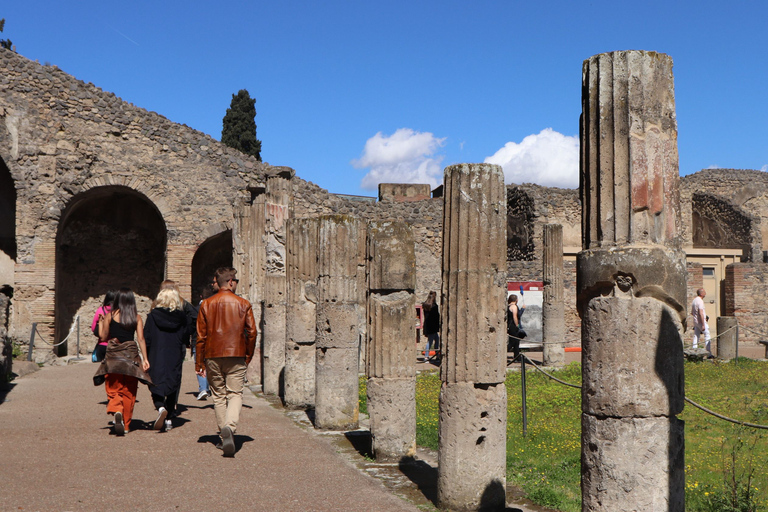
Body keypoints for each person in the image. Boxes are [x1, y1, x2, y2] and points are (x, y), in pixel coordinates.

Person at [196, 267, 258, 457]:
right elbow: (252, 332)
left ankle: (224, 436)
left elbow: (200, 336)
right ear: (231, 282)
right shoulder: (243, 303)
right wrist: (248, 354)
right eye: (236, 280)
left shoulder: (206, 304)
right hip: (236, 353)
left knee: (219, 396)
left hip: (213, 354)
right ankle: (230, 427)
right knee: (235, 393)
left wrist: (199, 362)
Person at [93, 288, 151, 436]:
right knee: (129, 391)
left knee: (113, 388)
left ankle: (117, 409)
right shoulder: (137, 317)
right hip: (131, 358)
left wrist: (101, 323)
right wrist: (145, 359)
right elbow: (141, 339)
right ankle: (126, 425)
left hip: (114, 358)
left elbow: (104, 337)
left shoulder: (110, 316)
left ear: (117, 300)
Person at [144, 285, 189, 432]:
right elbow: (185, 336)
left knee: (155, 383)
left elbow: (147, 338)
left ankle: (160, 406)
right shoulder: (182, 318)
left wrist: (145, 355)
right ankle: (169, 417)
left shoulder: (152, 317)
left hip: (156, 353)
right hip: (174, 354)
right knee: (172, 384)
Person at [91, 290, 116, 362]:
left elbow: (93, 328)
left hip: (101, 345)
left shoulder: (100, 310)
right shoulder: (117, 311)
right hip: (113, 346)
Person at [691, 288, 712, 356]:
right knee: (707, 335)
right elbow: (701, 313)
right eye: (704, 292)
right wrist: (703, 323)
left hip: (695, 321)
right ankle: (708, 353)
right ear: (701, 293)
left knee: (696, 336)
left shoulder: (694, 300)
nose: (705, 293)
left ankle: (694, 351)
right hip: (700, 321)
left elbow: (692, 312)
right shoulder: (700, 301)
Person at [421, 291, 440, 363]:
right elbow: (436, 317)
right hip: (433, 326)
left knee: (437, 339)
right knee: (430, 341)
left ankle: (437, 355)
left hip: (428, 325)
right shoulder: (434, 306)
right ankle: (426, 357)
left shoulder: (426, 305)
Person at [507, 294, 525, 360]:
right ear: (516, 300)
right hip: (513, 326)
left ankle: (516, 356)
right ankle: (503, 352)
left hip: (510, 325)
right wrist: (517, 325)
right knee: (512, 342)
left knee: (516, 341)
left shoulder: (508, 306)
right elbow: (515, 316)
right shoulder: (514, 306)